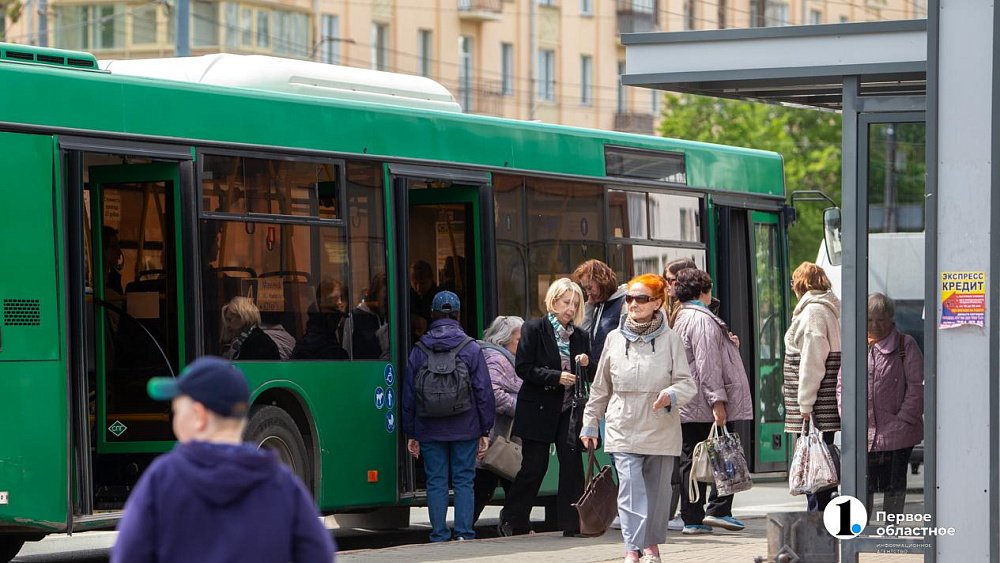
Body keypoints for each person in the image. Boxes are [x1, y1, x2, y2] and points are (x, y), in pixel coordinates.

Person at [111, 356, 335, 562]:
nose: (174, 421)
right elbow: (318, 555)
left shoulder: (162, 480)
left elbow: (129, 556)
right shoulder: (282, 484)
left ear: (199, 416)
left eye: (177, 411)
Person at [581, 273, 696, 563]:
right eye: (630, 298)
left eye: (641, 299)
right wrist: (590, 423)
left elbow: (687, 384)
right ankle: (633, 548)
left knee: (657, 495)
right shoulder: (614, 339)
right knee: (630, 490)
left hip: (660, 426)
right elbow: (600, 387)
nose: (633, 304)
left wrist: (671, 394)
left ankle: (651, 545)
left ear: (657, 302)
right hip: (622, 426)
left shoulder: (672, 340)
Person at [499, 278, 593, 537]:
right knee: (534, 466)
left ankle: (573, 524)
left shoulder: (581, 336)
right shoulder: (533, 329)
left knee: (571, 464)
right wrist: (556, 377)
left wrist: (587, 363)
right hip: (538, 408)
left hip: (568, 410)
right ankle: (513, 519)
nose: (570, 309)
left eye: (575, 304)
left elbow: (593, 374)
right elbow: (523, 368)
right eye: (566, 302)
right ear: (553, 301)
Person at [402, 291, 495, 542]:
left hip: (428, 427)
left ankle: (439, 534)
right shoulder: (471, 348)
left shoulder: (419, 349)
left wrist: (411, 432)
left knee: (436, 481)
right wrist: (485, 429)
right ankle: (464, 533)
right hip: (466, 426)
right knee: (464, 480)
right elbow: (484, 392)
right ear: (458, 314)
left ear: (432, 315)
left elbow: (409, 394)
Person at [672, 268, 753, 535]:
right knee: (723, 449)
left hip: (688, 399)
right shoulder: (702, 320)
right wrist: (717, 401)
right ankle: (718, 509)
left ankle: (692, 518)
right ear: (703, 291)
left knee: (690, 457)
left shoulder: (681, 316)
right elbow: (707, 364)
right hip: (704, 402)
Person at [838, 293, 924, 516]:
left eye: (880, 319)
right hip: (864, 433)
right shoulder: (857, 346)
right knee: (863, 486)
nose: (874, 325)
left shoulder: (906, 345)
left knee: (894, 486)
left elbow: (917, 387)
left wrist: (903, 420)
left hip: (898, 432)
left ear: (891, 320)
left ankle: (890, 529)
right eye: (869, 320)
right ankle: (861, 528)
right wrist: (848, 418)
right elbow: (842, 385)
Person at [784, 261, 841, 512]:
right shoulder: (823, 309)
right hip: (821, 401)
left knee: (815, 463)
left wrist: (805, 404)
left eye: (793, 282)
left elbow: (812, 361)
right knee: (819, 460)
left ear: (801, 284)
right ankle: (821, 513)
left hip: (816, 404)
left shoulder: (813, 313)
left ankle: (818, 517)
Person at [472, 315, 525, 525]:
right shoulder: (497, 359)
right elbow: (493, 394)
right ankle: (464, 529)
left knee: (507, 481)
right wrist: (521, 407)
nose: (523, 344)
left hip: (500, 436)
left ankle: (515, 524)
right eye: (519, 339)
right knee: (487, 483)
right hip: (496, 435)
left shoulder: (501, 356)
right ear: (505, 339)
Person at [572, 259, 627, 363]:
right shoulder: (598, 305)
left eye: (590, 288)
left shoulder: (624, 302)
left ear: (602, 281)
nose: (588, 293)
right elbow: (583, 335)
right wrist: (589, 307)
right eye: (585, 289)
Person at [292, 279, 350, 360]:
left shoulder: (308, 339)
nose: (339, 303)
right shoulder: (330, 349)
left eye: (342, 298)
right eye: (333, 300)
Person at [220, 296, 281, 361]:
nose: (228, 325)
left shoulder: (259, 343)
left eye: (229, 320)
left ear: (241, 317)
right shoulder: (245, 340)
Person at [352, 272, 388, 359]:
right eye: (385, 298)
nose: (387, 303)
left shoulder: (391, 317)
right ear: (375, 295)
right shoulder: (356, 317)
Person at [409, 260, 440, 340]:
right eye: (415, 283)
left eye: (423, 283)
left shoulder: (441, 297)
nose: (418, 288)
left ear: (431, 279)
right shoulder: (406, 297)